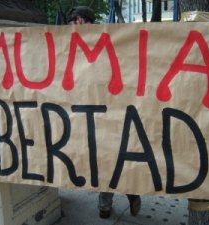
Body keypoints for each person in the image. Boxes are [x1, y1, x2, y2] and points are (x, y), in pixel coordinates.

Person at [67, 5, 141, 219]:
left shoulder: (108, 38)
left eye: (72, 23)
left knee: (112, 157)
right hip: (91, 110)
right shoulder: (81, 42)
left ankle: (120, 196)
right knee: (103, 159)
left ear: (79, 20)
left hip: (111, 110)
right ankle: (114, 199)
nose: (70, 28)